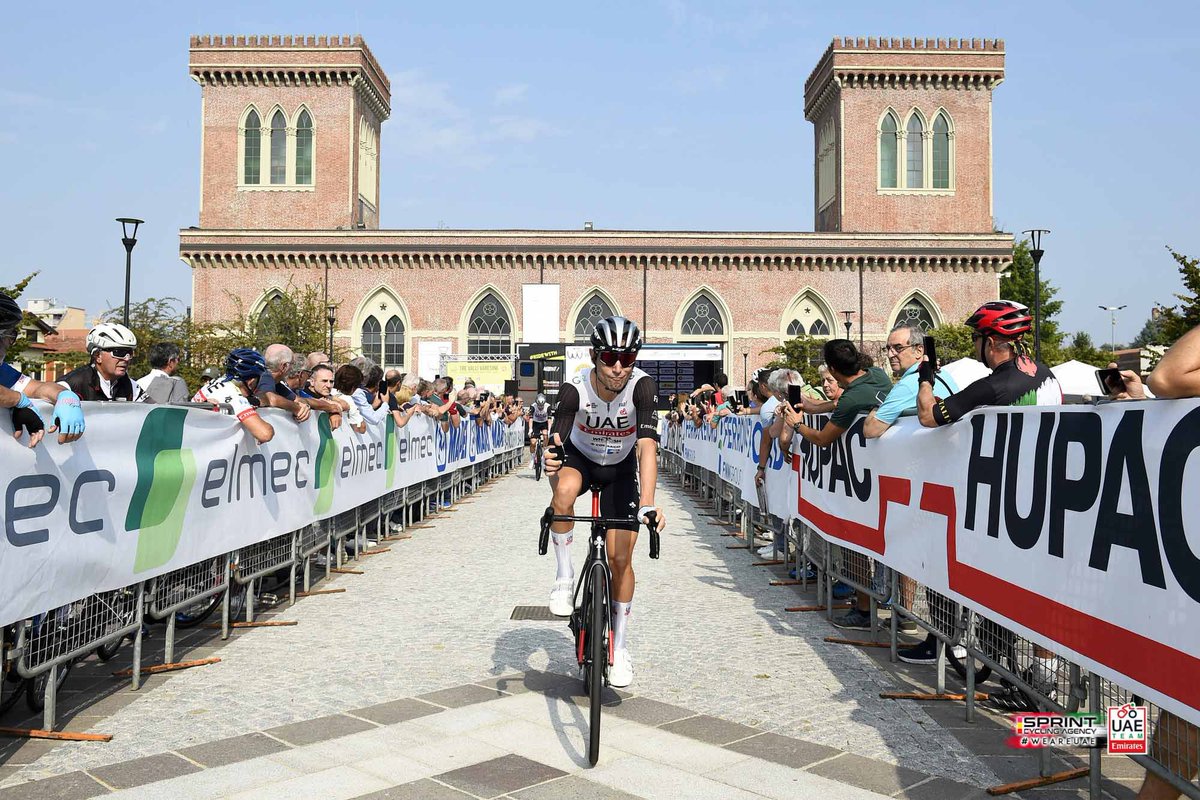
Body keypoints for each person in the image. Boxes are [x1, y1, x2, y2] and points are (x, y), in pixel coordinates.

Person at [916, 300, 1062, 712]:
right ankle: (1038, 682)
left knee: (1018, 596)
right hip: (1043, 500)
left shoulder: (995, 384)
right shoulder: (1044, 373)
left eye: (978, 338)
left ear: (993, 342)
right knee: (1036, 598)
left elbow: (929, 418)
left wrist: (925, 378)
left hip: (1010, 504)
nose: (976, 346)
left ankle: (1032, 693)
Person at [542, 316, 665, 688]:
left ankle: (621, 646)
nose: (618, 367)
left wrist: (648, 503)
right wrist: (549, 461)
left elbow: (646, 447)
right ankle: (564, 577)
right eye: (610, 357)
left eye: (627, 358)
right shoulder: (573, 389)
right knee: (562, 494)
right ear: (595, 355)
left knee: (621, 559)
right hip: (582, 460)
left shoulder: (642, 387)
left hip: (620, 467)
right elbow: (556, 447)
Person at [0, 291, 85, 447]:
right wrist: (17, 400)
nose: (8, 344)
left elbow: (38, 387)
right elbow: (18, 397)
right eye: (10, 336)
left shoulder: (2, 370)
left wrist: (65, 396)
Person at [191, 348, 274, 444]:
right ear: (251, 381)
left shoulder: (215, 383)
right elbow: (265, 434)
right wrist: (271, 427)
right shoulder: (234, 397)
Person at [61, 322, 147, 402]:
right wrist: (65, 397)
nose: (127, 358)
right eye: (119, 352)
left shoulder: (130, 385)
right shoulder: (78, 381)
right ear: (98, 356)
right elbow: (48, 388)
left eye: (130, 353)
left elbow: (153, 410)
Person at [256, 344, 311, 423]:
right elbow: (271, 399)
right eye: (292, 364)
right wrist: (296, 408)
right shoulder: (265, 375)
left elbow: (297, 399)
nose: (293, 369)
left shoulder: (277, 383)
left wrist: (305, 407)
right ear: (284, 366)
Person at [527, 393, 552, 459]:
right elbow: (531, 419)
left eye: (542, 406)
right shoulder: (533, 406)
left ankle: (544, 452)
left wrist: (549, 430)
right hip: (535, 423)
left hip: (544, 423)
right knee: (533, 442)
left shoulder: (548, 406)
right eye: (539, 406)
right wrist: (530, 429)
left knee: (545, 435)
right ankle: (532, 458)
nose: (540, 408)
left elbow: (549, 419)